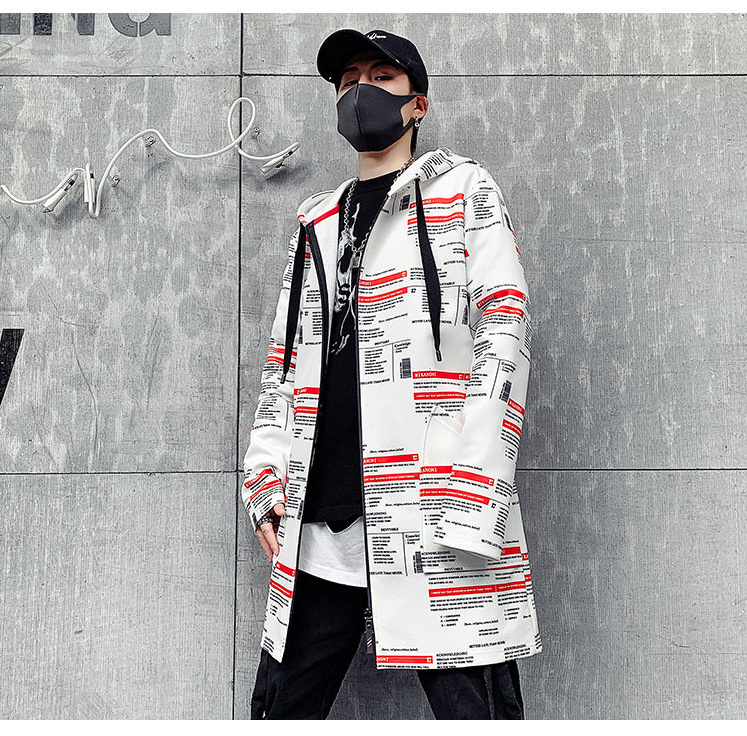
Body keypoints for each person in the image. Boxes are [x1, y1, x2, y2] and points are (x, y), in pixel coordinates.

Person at [244, 28, 542, 720]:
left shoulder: (463, 190)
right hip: (320, 529)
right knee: (279, 713)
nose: (361, 92)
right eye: (349, 80)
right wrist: (265, 475)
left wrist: (476, 489)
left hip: (434, 517)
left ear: (418, 104)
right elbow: (283, 363)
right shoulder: (316, 222)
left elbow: (505, 332)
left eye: (381, 78)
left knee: (479, 715)